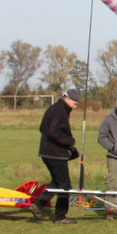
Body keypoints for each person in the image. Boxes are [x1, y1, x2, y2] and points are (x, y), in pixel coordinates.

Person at [29, 88, 80, 224]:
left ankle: (37, 205)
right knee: (65, 186)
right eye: (74, 103)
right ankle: (60, 217)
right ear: (67, 99)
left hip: (46, 152)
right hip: (55, 154)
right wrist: (70, 142)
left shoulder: (52, 108)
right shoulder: (60, 111)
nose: (74, 107)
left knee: (56, 183)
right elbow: (54, 131)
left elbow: (42, 128)